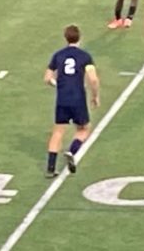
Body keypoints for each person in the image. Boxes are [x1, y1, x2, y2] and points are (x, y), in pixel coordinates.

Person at [43, 25, 100, 178]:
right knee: (84, 129)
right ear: (79, 38)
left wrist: (58, 85)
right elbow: (93, 79)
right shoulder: (84, 56)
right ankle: (72, 150)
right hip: (78, 97)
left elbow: (47, 78)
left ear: (65, 38)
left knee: (58, 132)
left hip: (62, 97)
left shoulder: (58, 55)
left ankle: (50, 167)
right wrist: (95, 96)